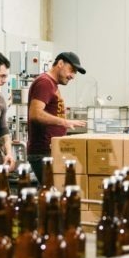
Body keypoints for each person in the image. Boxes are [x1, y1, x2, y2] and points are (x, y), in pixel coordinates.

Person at [27, 52, 87, 183]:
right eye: (71, 70)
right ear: (60, 64)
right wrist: (64, 122)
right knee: (52, 194)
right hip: (43, 153)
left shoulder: (52, 84)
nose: (72, 76)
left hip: (50, 151)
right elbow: (35, 113)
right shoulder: (44, 83)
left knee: (51, 193)